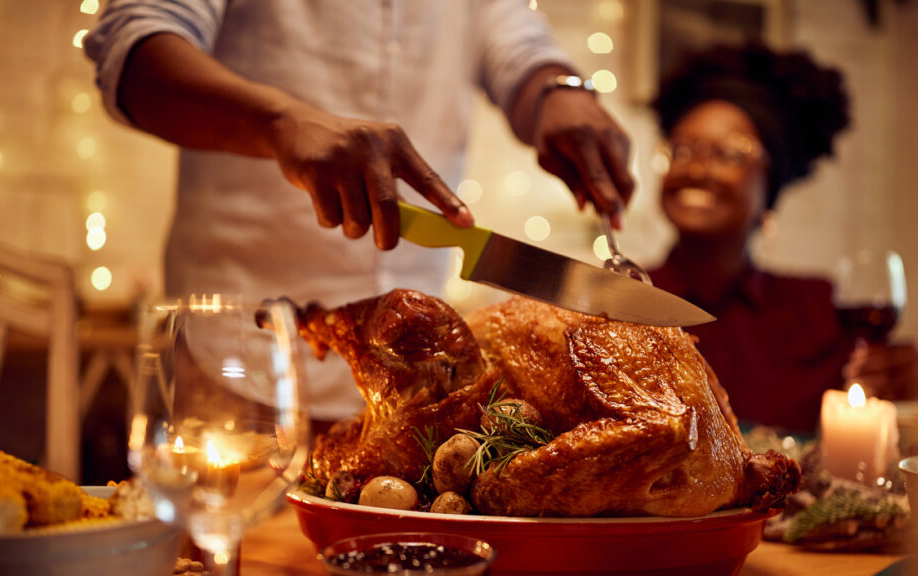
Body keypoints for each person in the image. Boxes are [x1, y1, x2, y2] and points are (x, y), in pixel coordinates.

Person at [84, 1, 634, 422]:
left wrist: (560, 90)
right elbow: (133, 52)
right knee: (231, 564)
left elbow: (516, 42)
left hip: (419, 385)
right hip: (240, 359)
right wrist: (280, 123)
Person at [645, 43, 918, 434]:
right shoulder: (624, 300)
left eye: (728, 153)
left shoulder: (822, 312)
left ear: (770, 188)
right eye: (682, 149)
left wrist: (894, 389)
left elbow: (858, 430)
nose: (696, 168)